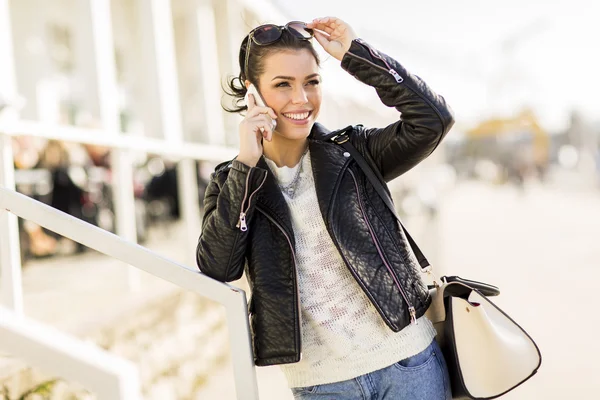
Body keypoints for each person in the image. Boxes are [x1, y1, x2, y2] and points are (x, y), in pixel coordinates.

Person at [196, 17, 455, 399]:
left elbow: (432, 121)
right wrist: (246, 165)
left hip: (408, 364)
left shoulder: (354, 153)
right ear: (253, 93)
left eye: (311, 82)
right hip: (321, 385)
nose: (301, 99)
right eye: (282, 84)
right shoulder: (232, 181)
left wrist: (355, 55)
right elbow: (217, 266)